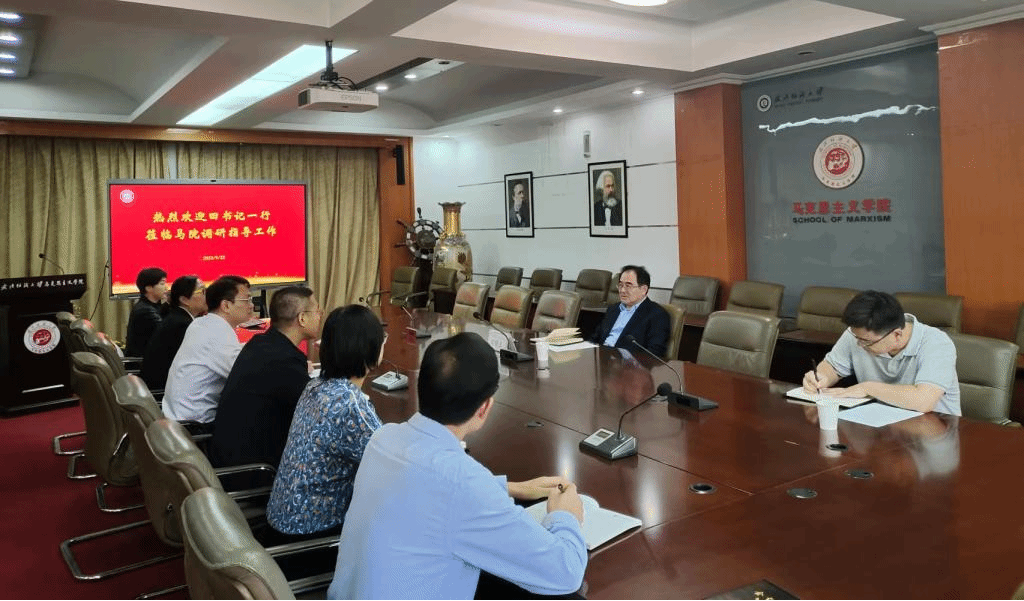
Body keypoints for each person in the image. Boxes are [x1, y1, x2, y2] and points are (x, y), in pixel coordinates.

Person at [328, 332, 587, 600]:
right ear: (484, 408)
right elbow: (565, 572)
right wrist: (566, 515)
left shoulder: (383, 438)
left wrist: (509, 488)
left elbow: (427, 490)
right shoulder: (463, 484)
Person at [265, 304, 384, 540]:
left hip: (281, 522)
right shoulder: (350, 404)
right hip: (310, 537)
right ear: (370, 348)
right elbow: (393, 465)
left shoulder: (315, 385)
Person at [207, 286, 322, 469]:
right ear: (302, 318)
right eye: (317, 311)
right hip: (253, 470)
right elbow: (318, 410)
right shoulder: (283, 359)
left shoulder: (262, 343)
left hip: (228, 456)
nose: (320, 316)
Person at [802, 290, 960, 415]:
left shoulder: (937, 343)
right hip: (880, 424)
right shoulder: (859, 334)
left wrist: (867, 388)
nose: (859, 344)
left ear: (896, 335)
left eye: (866, 342)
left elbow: (924, 401)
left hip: (935, 429)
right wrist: (822, 377)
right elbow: (833, 366)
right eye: (856, 338)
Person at [161, 275, 252, 432]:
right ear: (226, 305)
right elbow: (246, 376)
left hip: (176, 418)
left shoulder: (202, 323)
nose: (251, 305)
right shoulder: (216, 333)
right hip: (194, 427)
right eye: (247, 300)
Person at [139, 275, 206, 391]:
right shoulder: (182, 325)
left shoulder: (177, 317)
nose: (207, 296)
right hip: (162, 390)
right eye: (202, 291)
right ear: (184, 300)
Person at [589, 265, 670, 358]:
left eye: (628, 286)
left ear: (644, 289)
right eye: (620, 285)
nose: (622, 290)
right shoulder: (613, 309)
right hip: (601, 359)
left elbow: (654, 352)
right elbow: (595, 338)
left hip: (628, 364)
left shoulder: (657, 315)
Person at [125, 267, 167, 357]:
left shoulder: (152, 306)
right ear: (148, 288)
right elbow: (166, 332)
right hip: (142, 362)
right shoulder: (145, 311)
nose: (166, 287)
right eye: (162, 283)